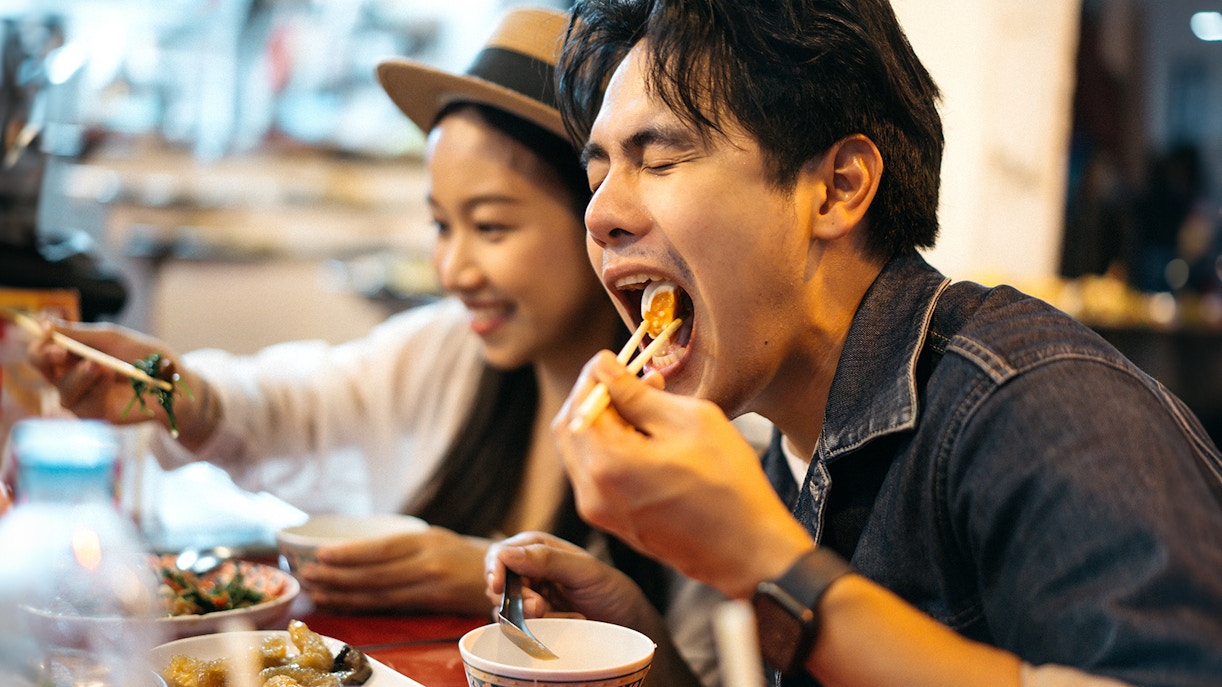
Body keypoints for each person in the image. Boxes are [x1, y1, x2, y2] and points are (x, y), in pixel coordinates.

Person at [485, 1, 1222, 686]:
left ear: (837, 188)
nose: (600, 213)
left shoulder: (1039, 407)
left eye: (660, 157)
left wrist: (770, 564)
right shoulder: (789, 442)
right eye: (596, 172)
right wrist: (639, 642)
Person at [27, 8, 766, 662]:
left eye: (491, 226)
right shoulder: (446, 351)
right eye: (441, 226)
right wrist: (175, 391)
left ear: (601, 215)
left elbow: (712, 664)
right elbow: (289, 402)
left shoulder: (703, 416)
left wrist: (472, 567)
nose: (453, 267)